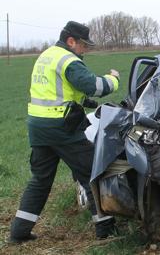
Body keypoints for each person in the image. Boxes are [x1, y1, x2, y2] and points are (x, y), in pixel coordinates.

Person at [9, 21, 120, 243]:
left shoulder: (47, 55)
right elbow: (94, 85)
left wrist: (85, 103)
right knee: (93, 172)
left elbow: (59, 91)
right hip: (61, 128)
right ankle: (105, 230)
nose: (85, 50)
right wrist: (113, 79)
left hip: (39, 127)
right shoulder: (68, 59)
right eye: (84, 45)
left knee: (40, 180)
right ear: (71, 41)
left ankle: (19, 233)